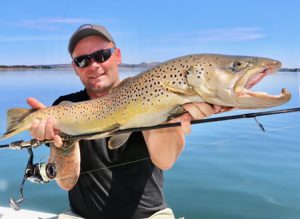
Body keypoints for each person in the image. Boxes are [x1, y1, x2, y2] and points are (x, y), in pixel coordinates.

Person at [27, 24, 228, 219]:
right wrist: (64, 142)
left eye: (101, 55)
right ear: (75, 67)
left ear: (118, 55)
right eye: (82, 61)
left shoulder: (148, 91)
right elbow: (66, 182)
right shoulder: (65, 108)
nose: (94, 65)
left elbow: (165, 161)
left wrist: (169, 114)